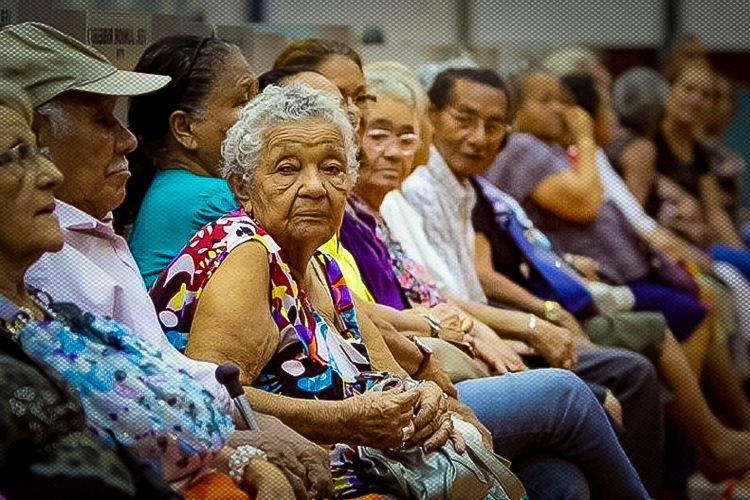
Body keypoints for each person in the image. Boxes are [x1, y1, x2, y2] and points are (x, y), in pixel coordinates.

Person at [149, 82, 651, 500]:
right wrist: (344, 419)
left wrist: (435, 400)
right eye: (287, 169)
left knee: (558, 479)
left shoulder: (320, 264)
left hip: (381, 450)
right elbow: (213, 396)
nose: (315, 187)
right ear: (242, 186)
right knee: (563, 393)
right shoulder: (244, 251)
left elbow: (390, 375)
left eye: (331, 168)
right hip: (332, 462)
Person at [3, 22, 330, 499]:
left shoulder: (80, 253)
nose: (128, 139)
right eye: (18, 154)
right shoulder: (45, 259)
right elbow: (124, 427)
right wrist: (241, 448)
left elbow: (164, 376)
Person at [116, 35, 258, 288]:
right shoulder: (215, 200)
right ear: (185, 128)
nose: (263, 112)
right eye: (244, 100)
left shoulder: (170, 188)